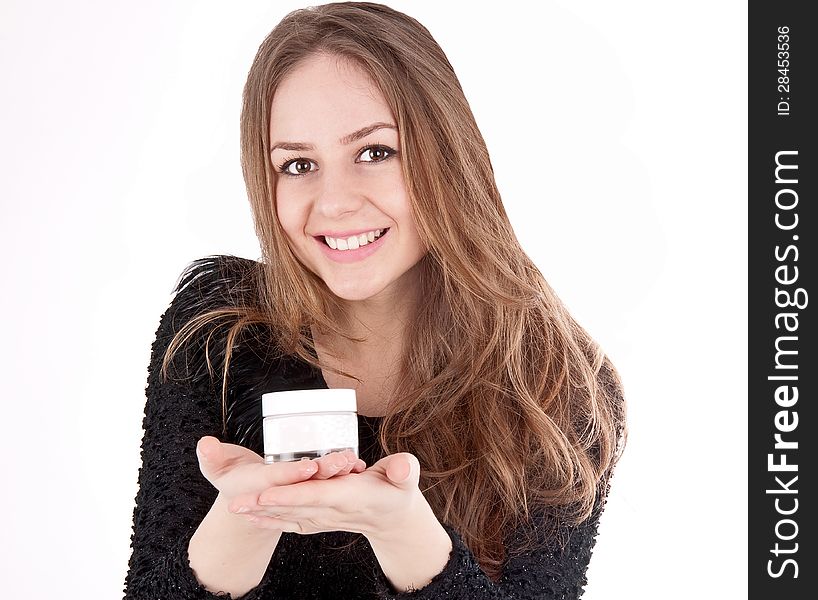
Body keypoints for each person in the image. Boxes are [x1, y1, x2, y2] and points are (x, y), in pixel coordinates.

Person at [123, 2, 627, 599]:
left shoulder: (554, 388)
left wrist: (405, 534)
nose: (333, 202)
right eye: (299, 164)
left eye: (374, 152)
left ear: (446, 154)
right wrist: (245, 517)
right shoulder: (222, 327)